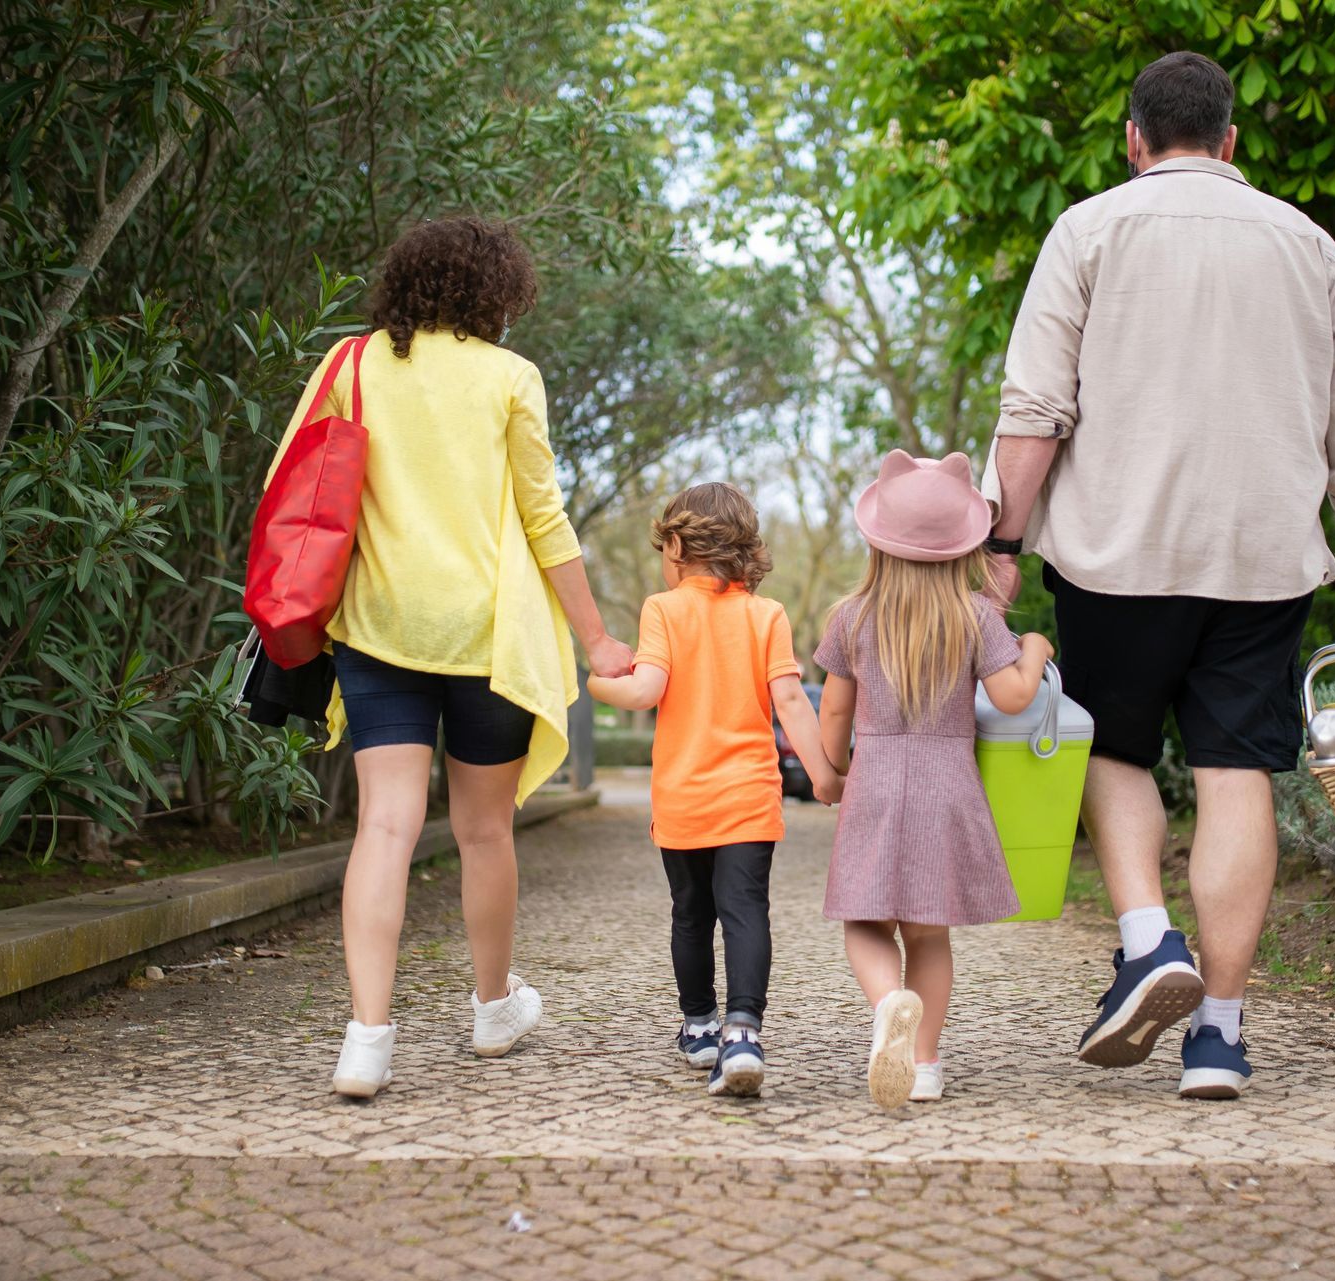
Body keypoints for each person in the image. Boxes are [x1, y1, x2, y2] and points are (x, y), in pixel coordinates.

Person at [981, 52, 1335, 1100]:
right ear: (1230, 143)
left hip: (1115, 554)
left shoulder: (1088, 230)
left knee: (1115, 750)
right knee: (1235, 773)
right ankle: (1217, 1034)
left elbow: (1035, 412)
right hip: (1263, 560)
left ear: (1135, 140)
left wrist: (1000, 544)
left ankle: (1146, 943)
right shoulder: (1309, 246)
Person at [263, 217, 636, 1099]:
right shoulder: (511, 377)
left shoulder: (351, 364)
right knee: (483, 830)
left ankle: (367, 1038)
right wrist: (596, 637)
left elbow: (294, 480)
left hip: (381, 625)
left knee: (385, 826)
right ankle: (492, 1006)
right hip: (486, 634)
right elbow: (544, 519)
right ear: (495, 294)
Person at [816, 450, 1055, 1109]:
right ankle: (923, 1065)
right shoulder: (976, 615)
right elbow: (1011, 696)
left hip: (875, 782)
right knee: (929, 931)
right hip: (948, 785)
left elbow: (834, 710)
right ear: (963, 546)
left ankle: (889, 1001)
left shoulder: (852, 615)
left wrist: (832, 770)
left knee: (866, 922)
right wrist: (1034, 649)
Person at [587, 483, 841, 1097]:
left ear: (675, 545)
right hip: (750, 797)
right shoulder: (767, 614)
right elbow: (788, 702)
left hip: (684, 798)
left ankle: (699, 1025)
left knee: (691, 914)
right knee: (746, 910)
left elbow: (645, 689)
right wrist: (828, 775)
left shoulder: (663, 608)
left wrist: (599, 685)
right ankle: (743, 1032)